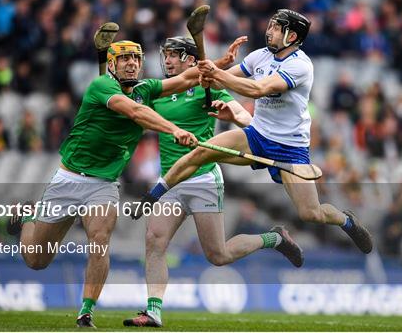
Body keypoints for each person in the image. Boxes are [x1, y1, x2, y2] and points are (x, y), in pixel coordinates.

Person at [141, 9, 373, 265]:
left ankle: (346, 220)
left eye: (276, 27)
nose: (268, 30)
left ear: (291, 35)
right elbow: (222, 83)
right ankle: (155, 193)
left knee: (312, 213)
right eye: (270, 25)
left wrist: (217, 74)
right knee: (201, 152)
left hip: (290, 147)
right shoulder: (259, 56)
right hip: (258, 135)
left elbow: (258, 88)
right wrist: (207, 75)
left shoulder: (300, 65)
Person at [7, 39, 206, 328]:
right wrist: (175, 129)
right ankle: (27, 216)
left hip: (104, 184)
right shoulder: (101, 87)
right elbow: (136, 113)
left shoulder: (145, 89)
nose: (132, 63)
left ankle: (85, 311)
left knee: (99, 242)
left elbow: (188, 77)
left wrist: (223, 66)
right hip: (69, 178)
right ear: (111, 65)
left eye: (136, 59)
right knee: (36, 260)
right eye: (124, 59)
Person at [124, 37, 303, 328]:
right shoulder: (157, 89)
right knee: (154, 241)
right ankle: (153, 311)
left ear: (191, 60)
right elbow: (128, 109)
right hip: (170, 181)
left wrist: (233, 115)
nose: (167, 60)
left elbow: (248, 121)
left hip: (203, 179)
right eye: (165, 55)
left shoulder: (207, 88)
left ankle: (275, 238)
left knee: (218, 255)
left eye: (174, 55)